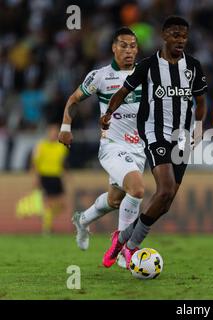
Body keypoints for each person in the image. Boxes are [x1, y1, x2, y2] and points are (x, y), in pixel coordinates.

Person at [100, 16, 208, 268]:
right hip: (154, 133)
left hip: (182, 137)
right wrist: (108, 114)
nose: (180, 39)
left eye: (184, 35)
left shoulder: (193, 66)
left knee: (165, 203)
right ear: (164, 35)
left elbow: (201, 101)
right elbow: (122, 92)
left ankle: (122, 238)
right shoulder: (148, 66)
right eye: (175, 34)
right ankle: (132, 246)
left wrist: (200, 126)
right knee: (166, 189)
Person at [58, 27, 146, 268]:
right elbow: (73, 100)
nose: (129, 50)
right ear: (113, 48)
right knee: (137, 189)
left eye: (133, 46)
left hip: (139, 148)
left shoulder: (146, 74)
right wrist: (66, 127)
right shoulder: (100, 76)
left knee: (115, 200)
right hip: (112, 147)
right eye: (123, 45)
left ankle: (82, 220)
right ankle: (122, 247)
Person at [32, 123, 69, 233]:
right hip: (45, 176)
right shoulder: (41, 145)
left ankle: (46, 216)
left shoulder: (61, 147)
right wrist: (36, 177)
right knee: (48, 202)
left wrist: (67, 175)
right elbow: (35, 163)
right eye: (51, 132)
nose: (53, 134)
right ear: (48, 133)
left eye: (55, 132)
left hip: (57, 177)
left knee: (62, 204)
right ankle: (47, 228)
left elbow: (63, 163)